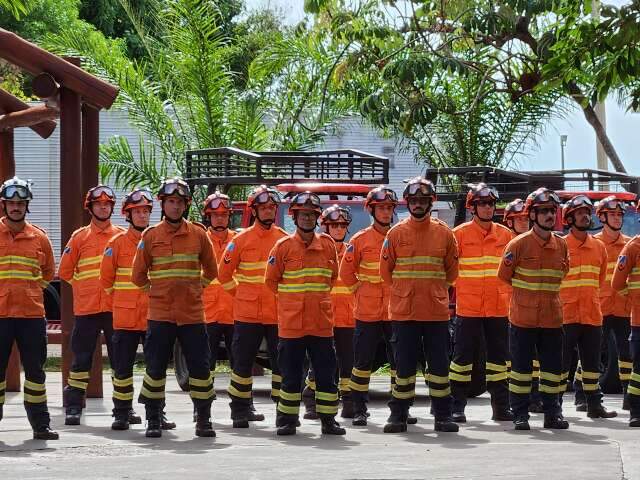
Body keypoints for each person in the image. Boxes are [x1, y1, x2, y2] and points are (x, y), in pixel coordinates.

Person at [132, 177, 217, 438]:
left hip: (192, 315)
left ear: (186, 205)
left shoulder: (199, 234)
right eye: (171, 202)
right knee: (155, 369)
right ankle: (154, 419)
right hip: (161, 315)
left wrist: (195, 289)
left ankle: (203, 419)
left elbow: (212, 271)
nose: (175, 207)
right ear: (163, 204)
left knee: (200, 369)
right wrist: (155, 292)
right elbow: (137, 276)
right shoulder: (151, 236)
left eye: (180, 202)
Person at [380, 177, 459, 433]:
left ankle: (443, 416)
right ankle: (398, 416)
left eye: (422, 200)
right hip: (404, 312)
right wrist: (405, 292)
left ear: (430, 202)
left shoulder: (444, 233)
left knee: (439, 368)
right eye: (413, 200)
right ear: (408, 203)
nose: (417, 205)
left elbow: (452, 273)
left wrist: (434, 291)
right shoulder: (395, 233)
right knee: (403, 368)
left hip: (435, 313)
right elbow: (386, 271)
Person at [265, 192, 345, 436]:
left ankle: (328, 420)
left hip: (321, 324)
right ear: (295, 216)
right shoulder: (283, 247)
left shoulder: (328, 245)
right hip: (292, 324)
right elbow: (271, 281)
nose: (308, 219)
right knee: (290, 376)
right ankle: (287, 420)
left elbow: (332, 279)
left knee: (326, 376)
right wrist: (293, 302)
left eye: (312, 214)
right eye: (303, 214)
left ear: (317, 218)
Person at [100, 188, 175, 431]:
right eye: (137, 212)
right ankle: (121, 414)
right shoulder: (116, 243)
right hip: (124, 318)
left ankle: (157, 413)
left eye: (145, 211)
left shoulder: (158, 240)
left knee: (156, 369)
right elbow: (106, 281)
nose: (142, 216)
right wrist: (123, 301)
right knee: (122, 370)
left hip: (155, 316)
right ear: (127, 215)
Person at [339, 186, 414, 427]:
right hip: (367, 312)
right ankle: (359, 409)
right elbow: (346, 272)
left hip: (396, 310)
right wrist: (359, 291)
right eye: (381, 207)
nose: (385, 212)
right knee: (362, 364)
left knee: (399, 363)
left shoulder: (402, 236)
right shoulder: (359, 240)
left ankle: (402, 408)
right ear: (372, 210)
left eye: (389, 208)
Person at [497, 187, 569, 430]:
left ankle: (553, 413)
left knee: (552, 371)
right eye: (544, 211)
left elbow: (562, 273)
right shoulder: (518, 244)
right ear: (532, 215)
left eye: (552, 210)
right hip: (523, 318)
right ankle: (520, 414)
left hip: (552, 318)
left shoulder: (561, 246)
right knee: (520, 371)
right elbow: (504, 275)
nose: (550, 215)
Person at [217, 185, 288, 428]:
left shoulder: (283, 239)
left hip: (276, 314)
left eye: (271, 207)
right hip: (247, 314)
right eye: (263, 208)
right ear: (254, 211)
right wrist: (240, 294)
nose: (268, 211)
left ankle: (284, 411)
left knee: (281, 365)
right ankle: (240, 410)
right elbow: (223, 274)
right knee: (242, 364)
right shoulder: (241, 240)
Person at [58, 185, 125, 425]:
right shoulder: (79, 237)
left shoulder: (122, 236)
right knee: (81, 360)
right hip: (87, 309)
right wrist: (83, 287)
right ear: (91, 207)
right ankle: (74, 407)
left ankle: (123, 408)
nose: (103, 207)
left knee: (121, 360)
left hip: (115, 308)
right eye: (98, 204)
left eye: (107, 204)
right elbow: (64, 271)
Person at [0, 177, 58, 439]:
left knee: (35, 373)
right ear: (4, 205)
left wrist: (30, 291)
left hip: (31, 315)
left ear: (27, 206)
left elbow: (48, 273)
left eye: (20, 203)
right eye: (11, 203)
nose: (15, 207)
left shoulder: (39, 238)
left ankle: (41, 424)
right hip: (0, 315)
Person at [450, 183, 513, 422]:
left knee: (499, 360)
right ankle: (456, 407)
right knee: (462, 360)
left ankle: (501, 407)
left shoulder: (505, 235)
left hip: (498, 307)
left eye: (491, 204)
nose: (488, 208)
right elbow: (449, 268)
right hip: (469, 307)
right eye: (482, 204)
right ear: (472, 207)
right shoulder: (459, 234)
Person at [558, 195, 616, 418]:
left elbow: (600, 281)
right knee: (560, 367)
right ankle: (555, 406)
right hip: (566, 315)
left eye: (587, 212)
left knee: (591, 366)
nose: (585, 216)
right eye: (580, 213)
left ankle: (594, 405)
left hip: (592, 315)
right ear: (569, 218)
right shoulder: (561, 245)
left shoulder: (598, 247)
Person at [303, 205, 356, 419]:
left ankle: (349, 403)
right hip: (322, 317)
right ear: (325, 226)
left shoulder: (353, 250)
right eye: (334, 225)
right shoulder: (314, 250)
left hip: (349, 318)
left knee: (348, 363)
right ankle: (310, 400)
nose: (338, 229)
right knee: (320, 362)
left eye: (343, 225)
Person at [503, 198, 543, 412]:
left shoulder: (535, 242)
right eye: (518, 219)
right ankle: (515, 402)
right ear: (509, 222)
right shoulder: (505, 243)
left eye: (526, 218)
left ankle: (535, 399)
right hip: (509, 308)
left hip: (534, 309)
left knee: (535, 359)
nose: (523, 222)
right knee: (514, 361)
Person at [594, 196, 632, 411]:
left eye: (619, 215)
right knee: (590, 354)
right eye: (613, 215)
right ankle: (584, 396)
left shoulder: (630, 244)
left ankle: (629, 396)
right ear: (602, 217)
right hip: (598, 307)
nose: (617, 219)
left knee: (627, 356)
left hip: (624, 308)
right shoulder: (594, 244)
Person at [202, 192, 236, 404]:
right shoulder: (198, 240)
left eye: (224, 215)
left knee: (240, 363)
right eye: (215, 215)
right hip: (207, 313)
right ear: (208, 217)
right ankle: (202, 407)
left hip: (235, 311)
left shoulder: (239, 240)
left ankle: (243, 405)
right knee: (205, 363)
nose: (220, 219)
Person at [611, 209, 640, 427]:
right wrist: (634, 302)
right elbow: (617, 283)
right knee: (638, 370)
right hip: (639, 321)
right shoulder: (633, 247)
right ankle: (636, 412)